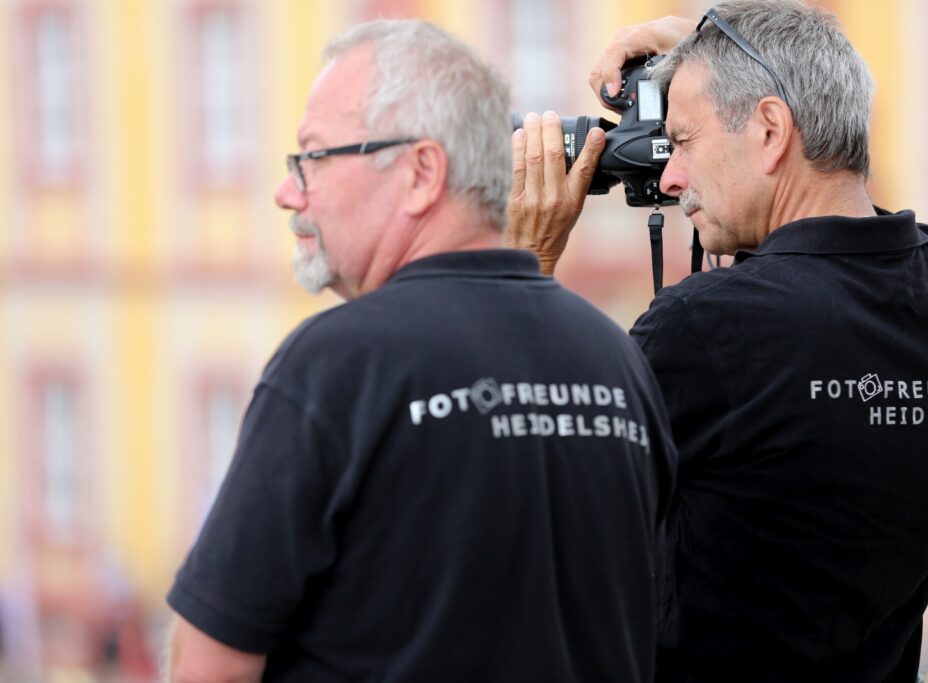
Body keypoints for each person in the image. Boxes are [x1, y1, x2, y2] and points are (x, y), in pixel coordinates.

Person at [165, 19, 677, 683]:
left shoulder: (335, 366)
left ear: (421, 173)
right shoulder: (617, 359)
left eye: (314, 157)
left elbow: (209, 666)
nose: (288, 192)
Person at [506, 1, 928, 681]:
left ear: (770, 130)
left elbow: (528, 497)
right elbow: (851, 223)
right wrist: (714, 61)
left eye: (681, 141)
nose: (669, 178)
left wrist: (523, 267)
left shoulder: (710, 328)